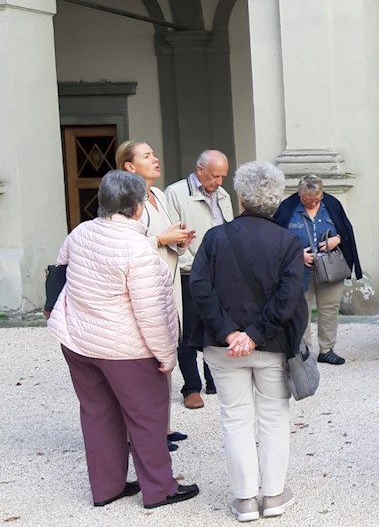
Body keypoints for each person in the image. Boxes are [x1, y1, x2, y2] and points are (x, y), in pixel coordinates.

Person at [47, 170, 200, 509]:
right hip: (125, 348)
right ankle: (160, 488)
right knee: (147, 417)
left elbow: (59, 272)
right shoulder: (138, 248)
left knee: (97, 413)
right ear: (136, 208)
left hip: (77, 339)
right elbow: (152, 311)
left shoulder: (80, 232)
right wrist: (166, 356)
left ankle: (106, 487)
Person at [189, 161, 308, 520]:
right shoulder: (288, 241)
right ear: (275, 200)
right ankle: (272, 496)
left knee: (235, 419)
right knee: (273, 418)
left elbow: (199, 288)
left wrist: (229, 332)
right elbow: (287, 299)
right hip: (271, 345)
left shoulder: (214, 238)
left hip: (223, 346)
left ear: (240, 198)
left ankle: (244, 499)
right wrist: (253, 336)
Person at [117, 141, 197, 442]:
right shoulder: (125, 199)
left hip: (168, 284)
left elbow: (163, 237)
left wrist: (179, 240)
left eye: (154, 154)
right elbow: (124, 247)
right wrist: (163, 239)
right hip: (144, 288)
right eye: (147, 156)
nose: (155, 159)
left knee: (165, 353)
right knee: (146, 360)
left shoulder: (159, 195)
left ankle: (161, 427)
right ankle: (144, 432)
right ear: (129, 166)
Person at [164, 149, 233, 409]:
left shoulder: (223, 195)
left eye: (223, 176)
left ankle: (213, 379)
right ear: (200, 170)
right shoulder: (175, 193)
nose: (219, 182)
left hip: (219, 273)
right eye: (215, 176)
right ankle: (191, 387)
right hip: (189, 272)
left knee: (217, 326)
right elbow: (173, 234)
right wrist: (193, 266)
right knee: (188, 332)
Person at [273, 175, 363, 365]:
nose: (313, 202)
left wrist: (336, 239)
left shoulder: (331, 204)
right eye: (308, 200)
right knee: (301, 310)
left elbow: (346, 231)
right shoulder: (287, 208)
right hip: (299, 269)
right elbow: (276, 240)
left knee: (330, 308)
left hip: (330, 267)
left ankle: (327, 349)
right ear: (299, 194)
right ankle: (303, 349)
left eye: (317, 198)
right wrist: (297, 255)